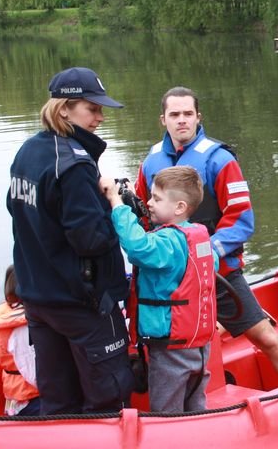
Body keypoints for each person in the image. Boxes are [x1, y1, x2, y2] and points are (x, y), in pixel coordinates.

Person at [135, 87, 278, 382]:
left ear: (198, 117)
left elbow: (241, 220)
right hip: (170, 281)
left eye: (188, 113)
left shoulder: (220, 160)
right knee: (172, 351)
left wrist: (203, 253)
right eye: (174, 114)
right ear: (163, 119)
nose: (182, 120)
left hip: (217, 274)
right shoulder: (150, 162)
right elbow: (144, 216)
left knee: (266, 338)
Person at [7, 66, 134, 414]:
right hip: (83, 306)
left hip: (39, 303)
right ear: (64, 109)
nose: (100, 118)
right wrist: (116, 206)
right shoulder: (75, 165)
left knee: (58, 401)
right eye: (92, 109)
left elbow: (18, 212)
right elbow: (91, 239)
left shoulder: (28, 151)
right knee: (108, 400)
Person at [101, 166, 217, 413]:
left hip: (170, 347)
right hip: (197, 345)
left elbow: (138, 248)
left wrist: (117, 204)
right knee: (195, 402)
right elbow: (209, 265)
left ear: (180, 207)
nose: (150, 203)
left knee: (166, 408)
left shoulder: (167, 243)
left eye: (156, 198)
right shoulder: (197, 236)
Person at [0, 265, 41, 416]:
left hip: (21, 397)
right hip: (28, 403)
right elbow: (34, 377)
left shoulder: (12, 314)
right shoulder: (22, 329)